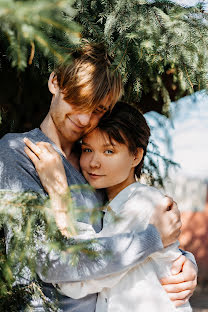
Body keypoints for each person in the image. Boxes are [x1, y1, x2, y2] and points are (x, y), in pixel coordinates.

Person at [0, 43, 196, 311]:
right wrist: (153, 240)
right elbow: (46, 260)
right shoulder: (19, 153)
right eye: (78, 100)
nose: (83, 118)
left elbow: (126, 223)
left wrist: (182, 261)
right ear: (55, 82)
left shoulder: (94, 167)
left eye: (98, 110)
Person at [24, 102, 192, 312]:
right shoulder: (108, 204)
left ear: (136, 156)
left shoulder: (141, 205)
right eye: (87, 149)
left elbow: (78, 279)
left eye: (109, 151)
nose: (94, 162)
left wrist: (59, 193)